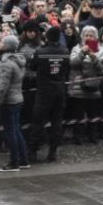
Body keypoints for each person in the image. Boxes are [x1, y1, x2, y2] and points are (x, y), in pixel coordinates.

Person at [27, 25, 70, 163]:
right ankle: (53, 152)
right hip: (59, 90)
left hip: (44, 90)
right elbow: (67, 68)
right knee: (57, 122)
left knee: (38, 121)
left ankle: (33, 151)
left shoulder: (41, 51)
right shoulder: (64, 51)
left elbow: (32, 66)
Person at [0, 33, 29, 171]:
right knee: (16, 130)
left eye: (2, 42)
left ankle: (14, 162)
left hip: (8, 101)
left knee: (10, 132)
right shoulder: (18, 60)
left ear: (7, 46)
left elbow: (2, 86)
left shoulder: (5, 63)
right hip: (17, 98)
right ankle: (23, 159)